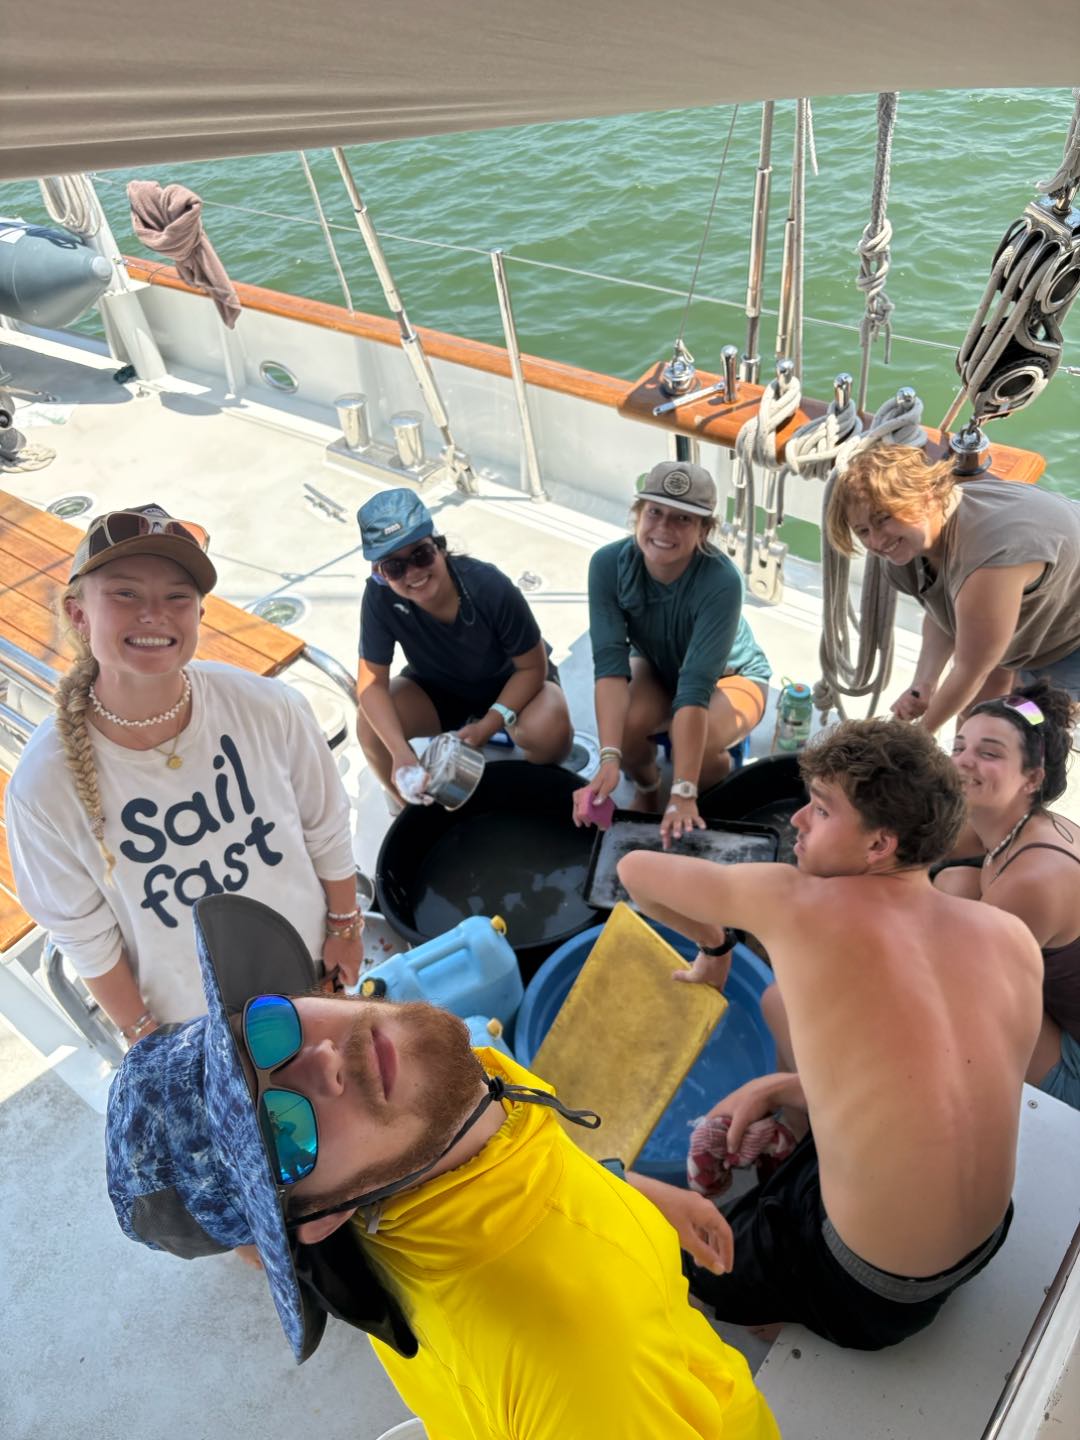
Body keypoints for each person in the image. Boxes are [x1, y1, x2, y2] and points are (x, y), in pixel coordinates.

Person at [105, 893, 779, 1440]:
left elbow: (524, 1156)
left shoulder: (432, 1127)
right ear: (321, 1219)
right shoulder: (589, 1366)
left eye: (265, 1032)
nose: (326, 1061)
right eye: (283, 1129)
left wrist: (638, 1191)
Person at [617, 718, 1043, 1350]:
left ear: (879, 845)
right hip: (987, 1238)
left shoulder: (797, 903)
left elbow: (633, 869)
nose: (797, 821)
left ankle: (777, 1313)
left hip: (872, 1293)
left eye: (819, 809)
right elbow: (936, 1083)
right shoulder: (1010, 938)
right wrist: (780, 1087)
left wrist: (715, 947)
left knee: (694, 1262)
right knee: (778, 1001)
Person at [4, 505, 361, 1042]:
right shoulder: (41, 788)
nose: (155, 614)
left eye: (178, 597)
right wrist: (145, 1034)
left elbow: (324, 826)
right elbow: (85, 933)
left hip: (315, 977)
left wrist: (344, 927)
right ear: (78, 614)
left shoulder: (269, 706)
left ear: (199, 614)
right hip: (196, 1029)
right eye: (125, 594)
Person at [577, 461, 771, 848]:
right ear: (638, 514)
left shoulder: (722, 580)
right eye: (655, 512)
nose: (664, 528)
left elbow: (695, 689)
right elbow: (610, 667)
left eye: (683, 518)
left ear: (705, 530)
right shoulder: (607, 565)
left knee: (697, 747)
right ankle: (648, 787)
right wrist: (609, 757)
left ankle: (706, 781)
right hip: (655, 662)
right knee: (625, 726)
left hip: (730, 676)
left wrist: (682, 790)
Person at [825, 444, 1080, 734]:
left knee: (1028, 728)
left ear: (927, 496)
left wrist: (915, 738)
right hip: (1033, 606)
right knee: (976, 717)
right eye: (863, 531)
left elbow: (972, 671)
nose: (876, 541)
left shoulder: (987, 560)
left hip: (1071, 640)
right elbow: (943, 608)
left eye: (884, 518)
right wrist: (925, 683)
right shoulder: (911, 543)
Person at [355, 489, 572, 809]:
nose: (413, 573)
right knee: (370, 729)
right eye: (394, 568)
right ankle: (413, 812)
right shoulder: (379, 597)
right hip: (437, 689)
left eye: (421, 555)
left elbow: (532, 668)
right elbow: (370, 685)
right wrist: (399, 751)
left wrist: (490, 724)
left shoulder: (488, 586)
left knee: (548, 730)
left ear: (439, 547)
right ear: (380, 574)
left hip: (512, 683)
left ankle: (539, 792)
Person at [935, 680, 1080, 1110]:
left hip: (1073, 1063)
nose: (962, 761)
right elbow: (923, 847)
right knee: (953, 884)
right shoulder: (1013, 821)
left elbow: (956, 991)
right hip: (1056, 1006)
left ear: (1032, 777)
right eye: (959, 746)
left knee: (950, 1012)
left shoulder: (1032, 880)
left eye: (989, 753)